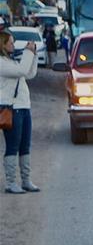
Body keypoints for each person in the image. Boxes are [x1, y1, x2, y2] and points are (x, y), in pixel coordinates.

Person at [0, 30, 39, 193]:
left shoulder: (12, 62)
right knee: (13, 146)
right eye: (10, 42)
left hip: (23, 107)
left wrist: (34, 55)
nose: (13, 45)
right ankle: (10, 182)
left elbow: (29, 73)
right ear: (2, 45)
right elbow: (22, 71)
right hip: (11, 108)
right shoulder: (2, 63)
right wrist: (28, 52)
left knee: (25, 146)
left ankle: (25, 180)